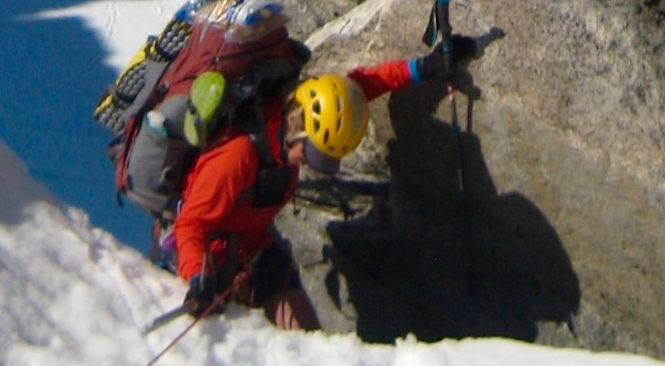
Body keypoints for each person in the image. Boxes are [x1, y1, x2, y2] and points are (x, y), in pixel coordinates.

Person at [174, 36, 478, 330]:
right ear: (295, 122)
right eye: (310, 150)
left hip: (254, 250)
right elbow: (190, 225)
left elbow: (361, 88)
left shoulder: (311, 110)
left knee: (311, 347)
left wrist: (424, 67)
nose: (308, 161)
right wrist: (197, 278)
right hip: (210, 261)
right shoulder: (237, 156)